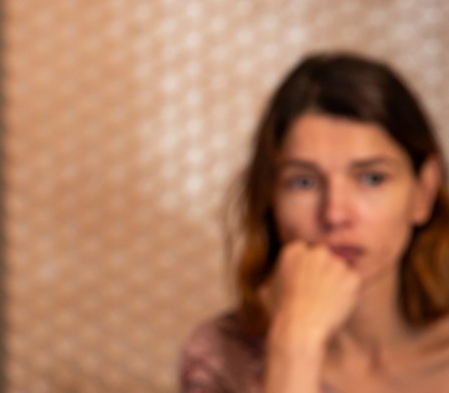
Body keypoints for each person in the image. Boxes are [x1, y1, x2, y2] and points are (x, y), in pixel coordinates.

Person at [180, 52, 449, 392]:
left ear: (423, 192)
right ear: (270, 200)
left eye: (372, 178)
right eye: (303, 182)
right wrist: (294, 345)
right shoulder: (220, 357)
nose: (335, 214)